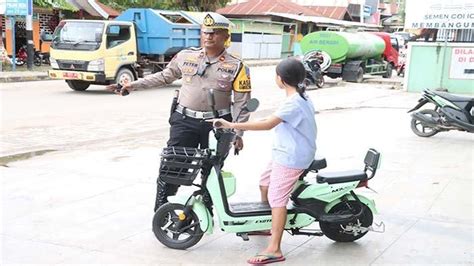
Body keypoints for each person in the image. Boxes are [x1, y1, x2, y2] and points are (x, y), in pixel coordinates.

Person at [106, 12, 252, 211]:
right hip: (185, 121)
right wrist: (133, 85)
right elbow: (164, 76)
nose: (209, 36)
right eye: (206, 32)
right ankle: (161, 206)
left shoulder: (237, 66)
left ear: (226, 37)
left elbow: (242, 103)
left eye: (215, 33)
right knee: (173, 163)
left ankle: (206, 203)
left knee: (212, 167)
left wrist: (237, 133)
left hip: (218, 124)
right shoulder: (186, 56)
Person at [209, 58, 317, 265]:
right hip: (284, 152)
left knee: (277, 199)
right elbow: (275, 118)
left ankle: (275, 249)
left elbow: (268, 124)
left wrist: (231, 124)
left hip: (292, 157)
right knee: (264, 184)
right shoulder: (299, 95)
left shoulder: (294, 102)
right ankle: (268, 224)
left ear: (281, 79)